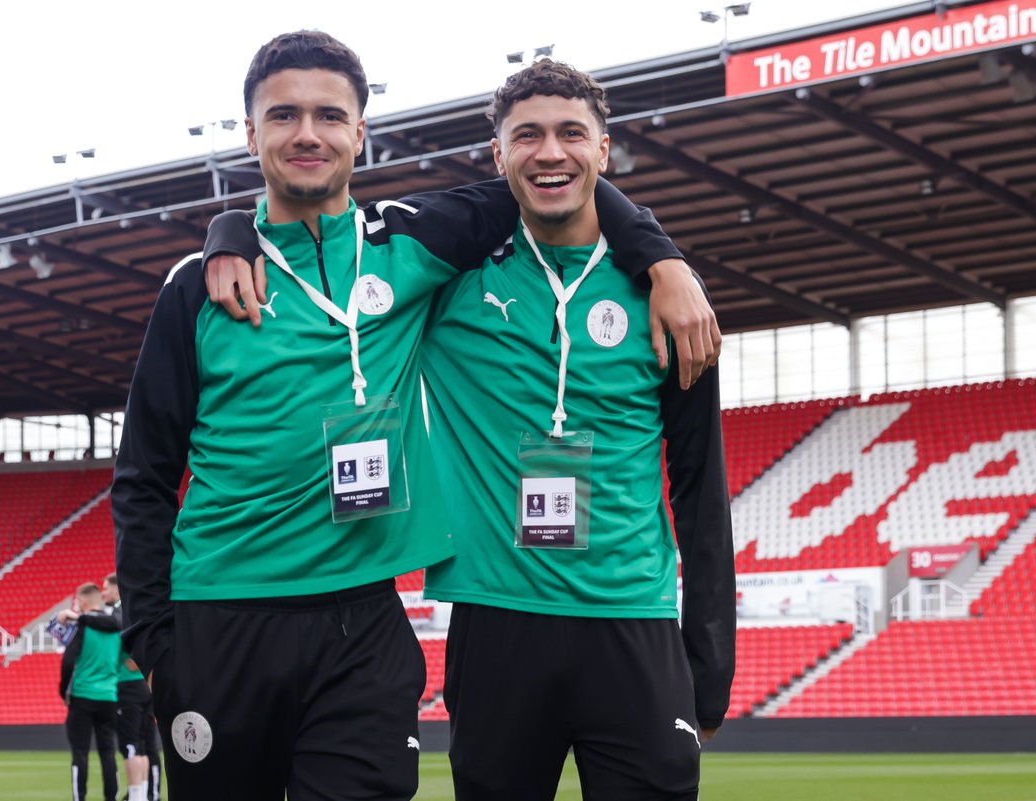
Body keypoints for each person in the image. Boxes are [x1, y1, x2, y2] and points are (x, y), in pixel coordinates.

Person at [113, 30, 707, 801]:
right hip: (219, 623)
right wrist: (157, 642)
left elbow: (555, 177)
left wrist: (661, 255)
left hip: (363, 624)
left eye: (329, 115)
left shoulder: (410, 244)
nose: (307, 134)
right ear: (249, 132)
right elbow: (143, 478)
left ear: (360, 132)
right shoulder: (198, 287)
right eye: (283, 116)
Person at [416, 60, 736, 800]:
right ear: (499, 157)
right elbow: (333, 235)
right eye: (526, 136)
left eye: (570, 134)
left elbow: (699, 483)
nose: (549, 152)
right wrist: (230, 226)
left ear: (603, 149)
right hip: (496, 623)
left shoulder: (672, 301)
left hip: (633, 625)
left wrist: (709, 662)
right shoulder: (448, 282)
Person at [59, 582, 122, 801]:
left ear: (83, 602)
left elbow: (68, 663)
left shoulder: (82, 627)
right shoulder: (115, 627)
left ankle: (80, 797)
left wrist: (63, 692)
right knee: (108, 753)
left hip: (83, 696)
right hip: (109, 696)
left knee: (80, 753)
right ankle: (111, 798)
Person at [103, 574, 158, 801]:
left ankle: (136, 796)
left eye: (106, 588)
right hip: (142, 688)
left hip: (127, 687)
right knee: (143, 746)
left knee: (129, 744)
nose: (103, 592)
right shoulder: (136, 611)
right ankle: (143, 794)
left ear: (117, 590)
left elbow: (115, 652)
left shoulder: (119, 615)